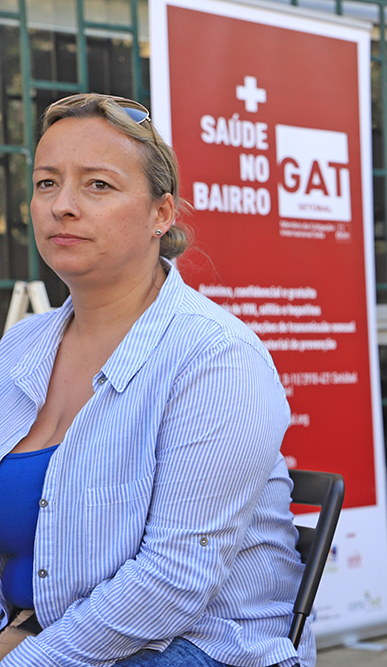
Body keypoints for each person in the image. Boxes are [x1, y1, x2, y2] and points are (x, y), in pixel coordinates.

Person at [0, 94, 312, 666]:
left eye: (98, 185)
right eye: (47, 183)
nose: (62, 206)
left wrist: (28, 658)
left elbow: (172, 582)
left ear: (160, 215)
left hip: (200, 646)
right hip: (45, 631)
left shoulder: (215, 358)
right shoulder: (19, 346)